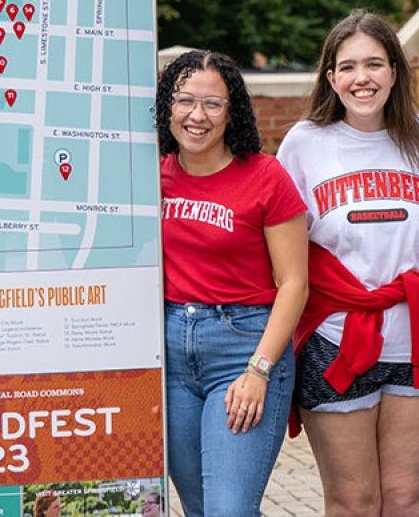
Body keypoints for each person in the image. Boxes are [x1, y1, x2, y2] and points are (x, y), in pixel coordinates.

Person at [275, 9, 419, 516]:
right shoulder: (304, 142)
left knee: (407, 498)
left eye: (375, 64)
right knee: (354, 500)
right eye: (348, 67)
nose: (362, 78)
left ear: (395, 71)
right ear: (330, 77)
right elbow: (285, 250)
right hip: (336, 339)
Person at [158, 49, 309, 515]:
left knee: (229, 510)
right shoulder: (150, 174)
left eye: (212, 104)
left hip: (242, 348)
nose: (196, 116)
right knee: (201, 508)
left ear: (232, 111)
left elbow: (294, 283)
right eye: (185, 101)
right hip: (170, 357)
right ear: (168, 106)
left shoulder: (266, 177)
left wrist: (258, 370)